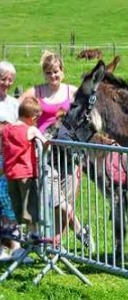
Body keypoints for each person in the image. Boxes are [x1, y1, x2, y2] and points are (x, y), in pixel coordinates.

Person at [19, 51, 94, 252]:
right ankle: (80, 233)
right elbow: (18, 112)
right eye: (49, 72)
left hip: (68, 154)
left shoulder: (72, 92)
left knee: (66, 200)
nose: (53, 76)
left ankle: (57, 244)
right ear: (44, 74)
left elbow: (87, 116)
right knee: (54, 199)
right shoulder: (36, 92)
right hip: (44, 152)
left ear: (63, 71)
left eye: (56, 71)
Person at [2, 97, 50, 243]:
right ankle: (33, 233)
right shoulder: (31, 130)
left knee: (16, 202)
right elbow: (44, 142)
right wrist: (49, 140)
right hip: (26, 173)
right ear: (33, 117)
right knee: (30, 203)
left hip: (10, 173)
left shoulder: (6, 130)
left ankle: (16, 232)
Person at [0, 60, 33, 263]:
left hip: (8, 161)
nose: (7, 83)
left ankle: (15, 247)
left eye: (10, 80)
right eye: (3, 79)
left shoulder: (13, 104)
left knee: (8, 202)